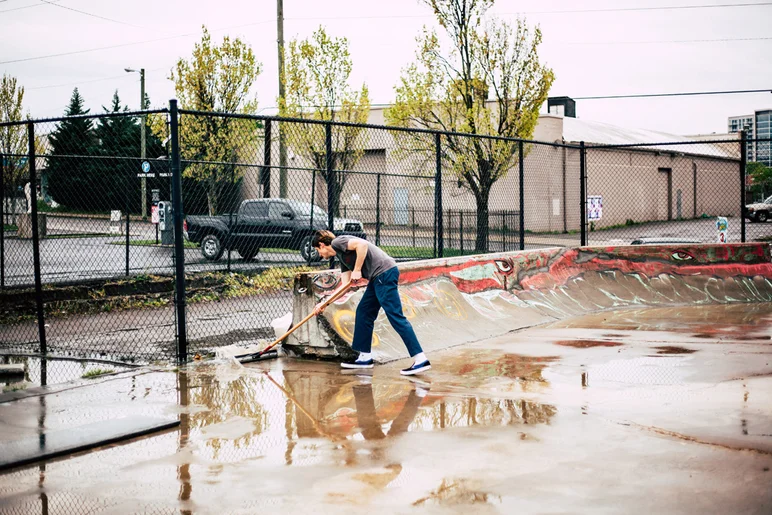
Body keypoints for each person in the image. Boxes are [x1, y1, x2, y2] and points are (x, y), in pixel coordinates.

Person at [311, 230, 431, 375]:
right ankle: (365, 357)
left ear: (322, 245)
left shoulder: (338, 242)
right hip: (377, 279)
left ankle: (420, 358)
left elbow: (362, 244)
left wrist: (357, 270)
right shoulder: (342, 257)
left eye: (318, 250)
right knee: (364, 312)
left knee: (395, 316)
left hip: (384, 274)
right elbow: (344, 286)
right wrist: (324, 303)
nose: (320, 254)